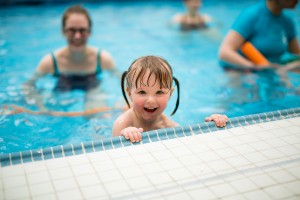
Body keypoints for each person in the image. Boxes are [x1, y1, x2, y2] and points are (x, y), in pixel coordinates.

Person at [21, 5, 119, 112]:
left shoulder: (102, 58)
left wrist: (122, 101)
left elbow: (124, 82)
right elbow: (28, 85)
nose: (77, 36)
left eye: (82, 30)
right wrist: (39, 105)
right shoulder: (51, 61)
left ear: (89, 32)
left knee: (97, 114)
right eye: (72, 30)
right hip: (62, 87)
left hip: (92, 87)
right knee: (54, 112)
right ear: (63, 32)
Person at [112, 55, 228, 143]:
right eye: (142, 92)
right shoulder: (123, 124)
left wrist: (210, 126)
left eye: (159, 92)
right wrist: (124, 136)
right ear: (129, 93)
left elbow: (192, 144)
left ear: (170, 94)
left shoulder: (170, 127)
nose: (151, 100)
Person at [218, 0, 300, 71]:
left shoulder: (287, 22)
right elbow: (224, 52)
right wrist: (254, 67)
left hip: (270, 71)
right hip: (241, 72)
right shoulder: (252, 15)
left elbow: (297, 55)